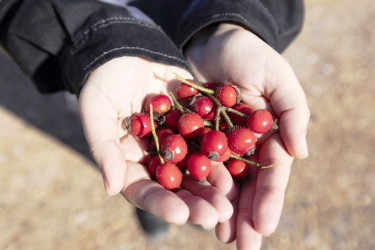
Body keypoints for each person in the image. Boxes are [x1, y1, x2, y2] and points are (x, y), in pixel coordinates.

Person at [0, 0, 309, 249]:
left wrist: (234, 19)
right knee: (115, 139)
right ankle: (157, 204)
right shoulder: (182, 119)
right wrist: (92, 40)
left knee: (167, 176)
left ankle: (187, 208)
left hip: (194, 25)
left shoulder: (205, 117)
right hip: (108, 67)